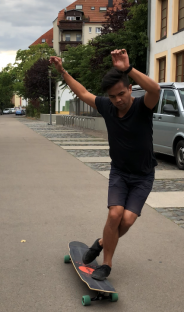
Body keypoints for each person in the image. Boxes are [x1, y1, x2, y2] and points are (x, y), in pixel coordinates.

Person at [49, 49, 160, 281]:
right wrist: (62, 71)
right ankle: (106, 264)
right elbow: (82, 92)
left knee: (128, 220)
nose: (118, 100)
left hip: (143, 175)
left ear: (130, 89)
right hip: (120, 172)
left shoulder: (143, 107)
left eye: (121, 94)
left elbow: (155, 89)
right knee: (114, 215)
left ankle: (101, 242)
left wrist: (127, 69)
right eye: (112, 96)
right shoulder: (108, 107)